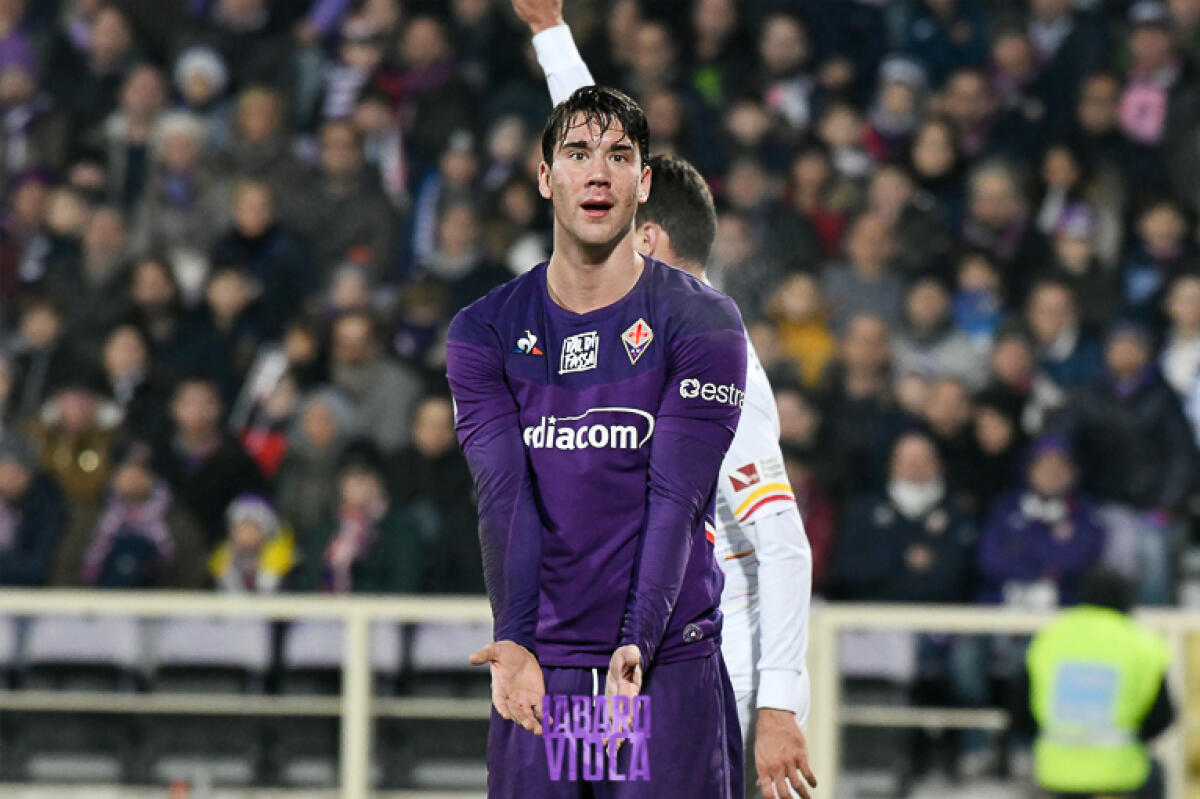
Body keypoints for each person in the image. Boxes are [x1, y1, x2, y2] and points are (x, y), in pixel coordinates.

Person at [518, 4, 817, 796]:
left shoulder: (722, 360)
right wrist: (550, 31)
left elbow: (782, 540)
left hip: (707, 674)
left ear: (647, 239)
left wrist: (781, 700)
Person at [445, 81, 748, 797]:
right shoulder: (484, 331)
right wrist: (515, 636)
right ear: (546, 177)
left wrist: (635, 643)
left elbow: (674, 497)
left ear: (643, 184)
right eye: (577, 152)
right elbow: (503, 494)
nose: (597, 172)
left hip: (658, 667)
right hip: (547, 670)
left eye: (618, 156)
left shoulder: (701, 323)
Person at [1016, 569, 1174, 799]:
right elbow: (1162, 716)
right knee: (1155, 771)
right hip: (1121, 775)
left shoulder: (1048, 638)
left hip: (1055, 773)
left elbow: (1020, 710)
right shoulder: (1143, 644)